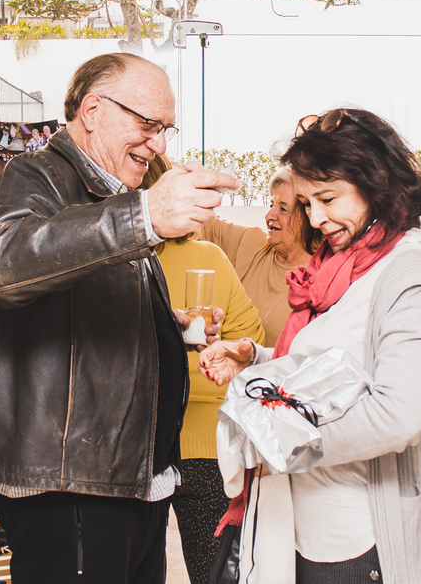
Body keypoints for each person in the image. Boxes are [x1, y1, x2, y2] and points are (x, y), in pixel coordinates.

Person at [0, 53, 238, 584]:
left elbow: (76, 312)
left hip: (125, 478)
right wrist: (145, 215)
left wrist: (166, 326)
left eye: (166, 129)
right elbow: (0, 265)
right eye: (148, 124)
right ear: (92, 110)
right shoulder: (38, 173)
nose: (158, 144)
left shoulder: (113, 194)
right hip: (74, 487)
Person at [200, 108, 421, 584]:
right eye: (307, 203)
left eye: (327, 199)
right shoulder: (340, 266)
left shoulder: (408, 275)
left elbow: (400, 414)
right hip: (311, 527)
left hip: (361, 540)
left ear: (376, 182)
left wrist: (283, 444)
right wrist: (258, 359)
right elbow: (336, 368)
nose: (316, 218)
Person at [139, 154, 266, 583]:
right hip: (208, 448)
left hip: (139, 448)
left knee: (136, 568)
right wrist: (216, 344)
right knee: (217, 572)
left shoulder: (115, 264)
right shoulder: (209, 258)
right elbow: (250, 340)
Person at [199, 166, 313, 346]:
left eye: (284, 209)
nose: (269, 215)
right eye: (271, 205)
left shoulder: (322, 278)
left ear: (310, 218)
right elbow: (206, 223)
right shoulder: (252, 243)